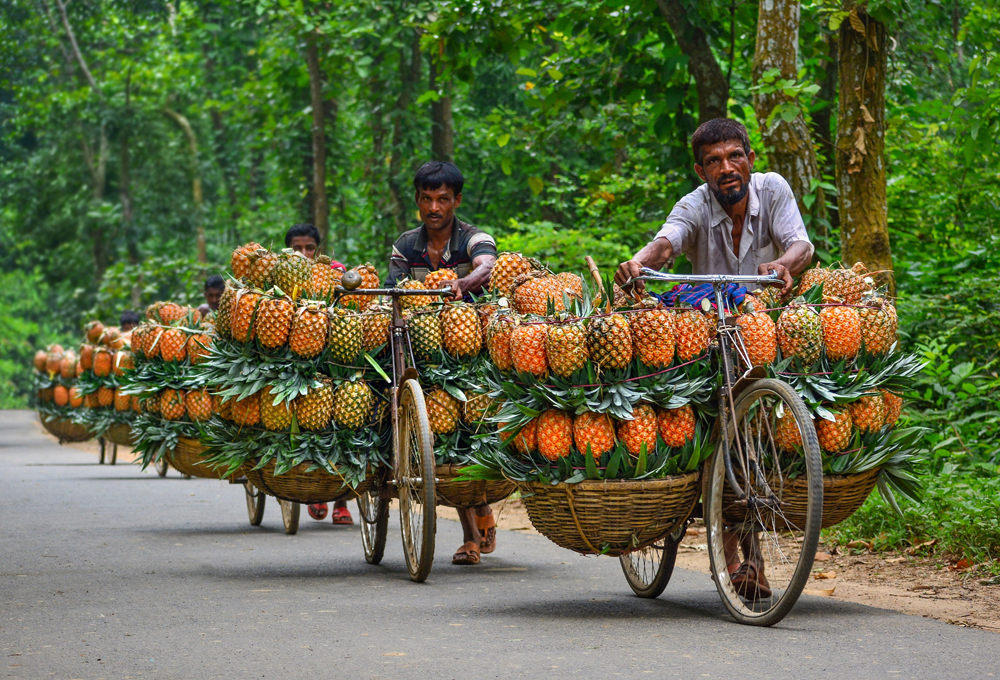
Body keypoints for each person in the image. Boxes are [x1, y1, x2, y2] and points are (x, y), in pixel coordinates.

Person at [615, 118, 814, 598]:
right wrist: (639, 263)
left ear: (749, 157)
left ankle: (759, 550)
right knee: (712, 429)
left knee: (763, 433)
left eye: (734, 156)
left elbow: (801, 245)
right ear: (701, 170)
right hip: (710, 335)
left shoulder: (775, 190)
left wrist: (782, 266)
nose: (727, 168)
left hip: (768, 331)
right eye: (714, 162)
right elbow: (667, 242)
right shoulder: (695, 205)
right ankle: (733, 561)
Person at [388, 160, 499, 566]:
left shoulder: (473, 238)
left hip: (472, 353)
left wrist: (465, 281)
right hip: (421, 352)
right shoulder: (406, 245)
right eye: (427, 199)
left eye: (443, 199)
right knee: (437, 431)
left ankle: (480, 506)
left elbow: (487, 265)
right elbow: (398, 295)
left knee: (471, 427)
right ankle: (471, 533)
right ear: (417, 200)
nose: (435, 207)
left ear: (457, 201)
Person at [286, 224, 351, 525]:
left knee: (340, 422)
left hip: (332, 356)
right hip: (293, 358)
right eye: (296, 248)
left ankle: (341, 501)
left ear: (318, 249)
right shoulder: (279, 274)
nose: (303, 254)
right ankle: (310, 487)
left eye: (309, 248)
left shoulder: (336, 271)